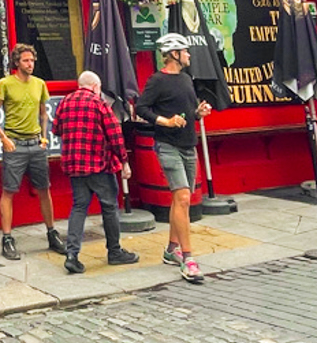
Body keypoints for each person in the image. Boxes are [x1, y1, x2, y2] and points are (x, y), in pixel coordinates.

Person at [135, 32, 212, 283]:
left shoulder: (187, 79)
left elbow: (187, 112)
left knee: (180, 200)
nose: (189, 55)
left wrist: (197, 113)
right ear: (175, 55)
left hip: (189, 145)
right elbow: (141, 108)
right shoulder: (157, 80)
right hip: (168, 145)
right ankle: (188, 259)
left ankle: (171, 250)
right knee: (183, 197)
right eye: (186, 51)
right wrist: (165, 121)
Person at [52, 70, 138, 273]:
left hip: (74, 166)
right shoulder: (99, 104)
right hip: (99, 165)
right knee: (109, 207)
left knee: (79, 207)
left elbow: (56, 129)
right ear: (96, 86)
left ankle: (72, 254)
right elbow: (115, 136)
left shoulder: (65, 102)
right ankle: (114, 251)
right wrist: (124, 162)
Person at [0, 43, 66, 261]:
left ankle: (52, 233)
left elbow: (44, 113)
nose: (30, 64)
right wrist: (3, 138)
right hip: (15, 143)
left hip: (35, 144)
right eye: (25, 60)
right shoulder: (5, 84)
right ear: (16, 62)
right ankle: (7, 238)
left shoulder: (40, 84)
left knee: (44, 189)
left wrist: (44, 138)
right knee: (9, 191)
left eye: (32, 60)